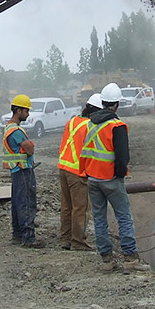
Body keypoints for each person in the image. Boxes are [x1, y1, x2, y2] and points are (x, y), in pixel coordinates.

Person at [81, 83, 148, 272]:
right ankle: (130, 259)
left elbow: (85, 151)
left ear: (103, 103)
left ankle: (107, 260)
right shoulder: (116, 126)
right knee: (124, 217)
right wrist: (119, 175)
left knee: (100, 219)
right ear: (116, 105)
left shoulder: (90, 124)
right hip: (110, 179)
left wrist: (87, 172)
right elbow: (122, 157)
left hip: (92, 178)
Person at [58, 93, 103, 251]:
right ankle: (77, 241)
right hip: (77, 171)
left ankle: (65, 238)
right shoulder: (90, 126)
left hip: (63, 167)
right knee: (80, 208)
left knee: (67, 206)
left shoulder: (72, 121)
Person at [3, 94, 43, 248]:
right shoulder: (16, 131)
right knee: (26, 202)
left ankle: (17, 235)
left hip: (16, 171)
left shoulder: (9, 127)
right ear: (18, 111)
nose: (28, 114)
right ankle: (28, 238)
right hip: (23, 171)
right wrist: (30, 147)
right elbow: (30, 149)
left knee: (17, 203)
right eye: (26, 111)